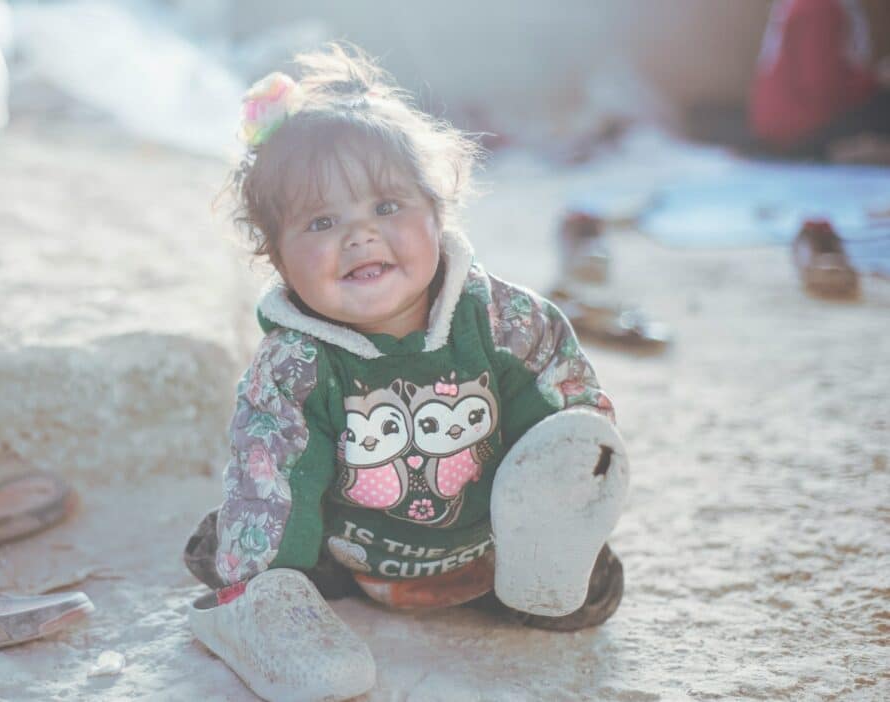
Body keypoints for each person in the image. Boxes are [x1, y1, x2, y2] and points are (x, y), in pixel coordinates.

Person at [183, 44, 630, 702]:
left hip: (491, 550)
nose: (360, 236)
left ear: (438, 207)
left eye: (387, 208)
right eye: (322, 221)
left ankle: (538, 582)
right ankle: (271, 605)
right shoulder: (294, 364)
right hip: (353, 556)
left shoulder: (506, 322)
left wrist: (571, 485)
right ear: (275, 256)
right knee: (232, 535)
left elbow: (574, 431)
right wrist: (258, 573)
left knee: (590, 589)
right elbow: (271, 472)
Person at [750, 0, 890, 162]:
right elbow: (821, 88)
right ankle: (849, 149)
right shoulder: (819, 6)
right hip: (799, 127)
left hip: (785, 123)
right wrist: (875, 79)